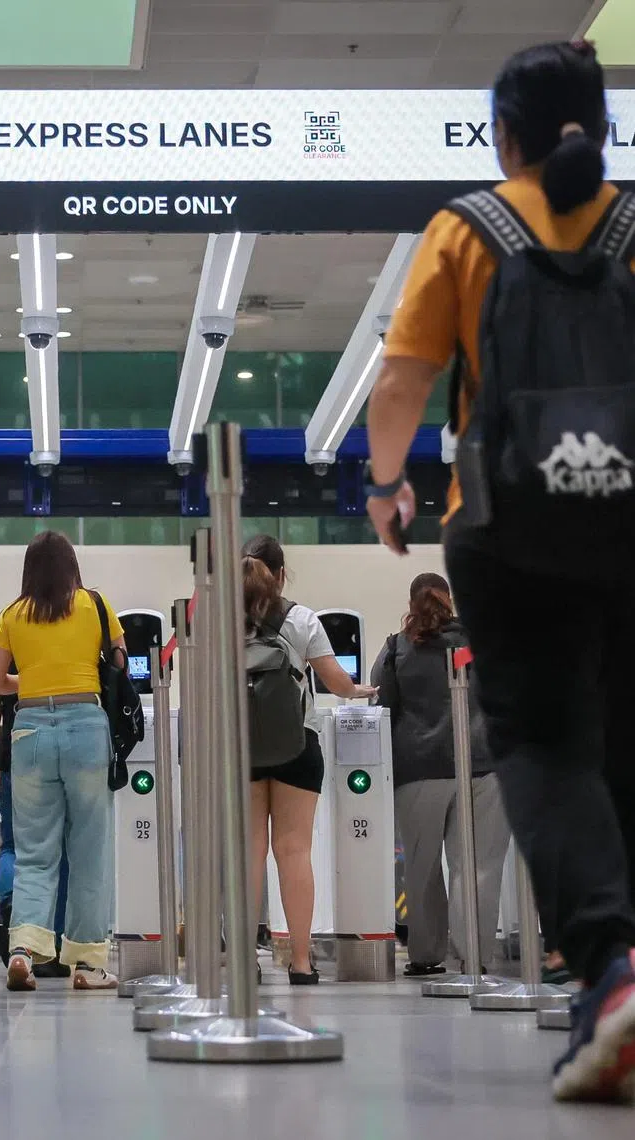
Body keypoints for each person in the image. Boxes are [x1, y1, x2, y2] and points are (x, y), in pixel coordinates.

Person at [365, 41, 635, 1101]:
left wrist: (388, 488)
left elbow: (401, 382)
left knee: (545, 745)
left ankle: (610, 971)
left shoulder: (468, 228)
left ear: (504, 137)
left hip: (510, 525)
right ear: (602, 130)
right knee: (623, 739)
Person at [0, 530, 124, 992]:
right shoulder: (96, 605)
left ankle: (22, 950)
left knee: (34, 851)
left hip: (29, 733)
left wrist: (34, 681)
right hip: (86, 727)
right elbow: (120, 662)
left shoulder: (11, 614)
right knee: (88, 853)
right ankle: (86, 964)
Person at [241, 535, 374, 984]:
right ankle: (300, 962)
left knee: (249, 853)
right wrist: (360, 690)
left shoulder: (223, 622)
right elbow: (337, 683)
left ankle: (244, 962)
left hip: (241, 751)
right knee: (293, 851)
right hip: (297, 745)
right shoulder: (300, 619)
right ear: (280, 574)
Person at [371, 573, 510, 977]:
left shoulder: (397, 647)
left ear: (411, 604)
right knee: (479, 865)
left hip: (419, 770)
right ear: (451, 600)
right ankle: (476, 957)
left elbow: (383, 704)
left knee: (422, 866)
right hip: (484, 767)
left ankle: (426, 955)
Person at [0, 642, 70, 978]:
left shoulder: (3, 636)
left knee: (16, 846)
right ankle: (53, 949)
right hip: (65, 751)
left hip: (19, 751)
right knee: (62, 852)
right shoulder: (69, 627)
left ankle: (14, 901)